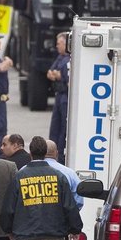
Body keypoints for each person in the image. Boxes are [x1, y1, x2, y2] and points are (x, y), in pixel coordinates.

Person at [47, 33, 71, 161]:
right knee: (55, 128)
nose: (56, 46)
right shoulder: (60, 57)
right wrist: (57, 75)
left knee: (63, 129)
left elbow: (65, 77)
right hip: (59, 95)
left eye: (59, 43)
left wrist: (58, 75)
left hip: (66, 97)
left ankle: (60, 156)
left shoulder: (69, 59)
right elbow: (50, 73)